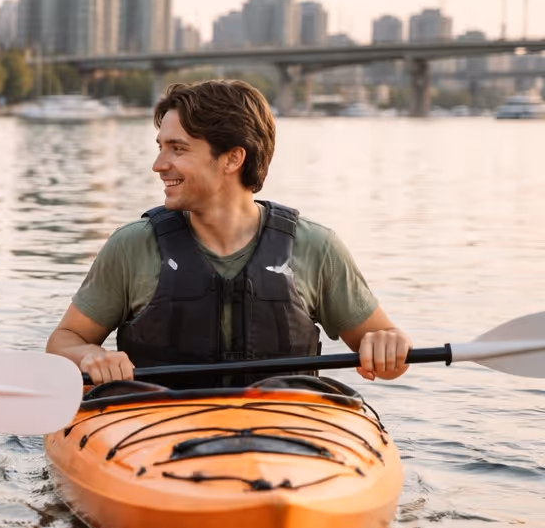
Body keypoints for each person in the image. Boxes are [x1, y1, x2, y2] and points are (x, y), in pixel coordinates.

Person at [46, 79, 411, 387]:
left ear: (233, 159)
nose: (158, 165)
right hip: (154, 435)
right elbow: (64, 341)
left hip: (285, 440)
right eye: (161, 148)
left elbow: (384, 346)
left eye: (177, 149)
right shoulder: (131, 246)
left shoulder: (317, 248)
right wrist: (90, 355)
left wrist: (388, 346)